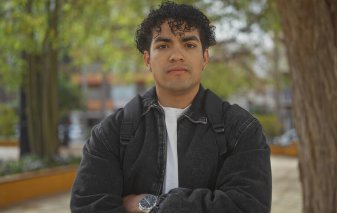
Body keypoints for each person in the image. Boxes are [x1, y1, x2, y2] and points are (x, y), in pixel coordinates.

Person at [70, 2, 271, 213]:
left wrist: (150, 205)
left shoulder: (241, 130)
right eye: (163, 46)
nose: (177, 55)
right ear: (147, 59)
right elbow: (87, 206)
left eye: (189, 44)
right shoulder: (111, 133)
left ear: (205, 58)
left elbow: (248, 206)